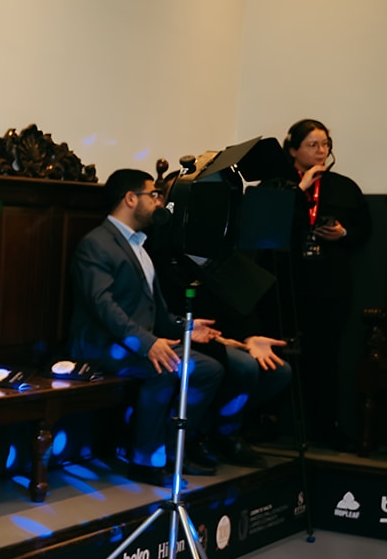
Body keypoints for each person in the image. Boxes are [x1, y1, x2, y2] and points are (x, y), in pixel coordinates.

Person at [69, 169, 226, 485]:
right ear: (130, 198)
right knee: (165, 367)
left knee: (209, 369)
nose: (159, 202)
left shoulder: (139, 244)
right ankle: (144, 460)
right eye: (153, 195)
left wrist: (186, 326)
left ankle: (170, 448)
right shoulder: (97, 243)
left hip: (132, 342)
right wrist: (147, 343)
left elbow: (157, 312)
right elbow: (103, 306)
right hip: (101, 346)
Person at [263, 119, 372, 448]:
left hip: (329, 285)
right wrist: (300, 189)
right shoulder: (276, 185)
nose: (321, 151)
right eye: (312, 144)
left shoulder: (344, 186)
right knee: (276, 352)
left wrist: (342, 233)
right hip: (284, 283)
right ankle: (266, 423)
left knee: (325, 357)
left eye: (325, 144)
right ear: (292, 150)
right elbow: (266, 227)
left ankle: (326, 427)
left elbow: (363, 230)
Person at [144, 232, 292, 467]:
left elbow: (240, 305)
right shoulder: (164, 252)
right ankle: (219, 435)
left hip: (220, 336)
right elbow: (167, 315)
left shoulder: (219, 253)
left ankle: (212, 429)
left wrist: (250, 337)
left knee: (278, 371)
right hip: (184, 335)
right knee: (244, 366)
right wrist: (217, 340)